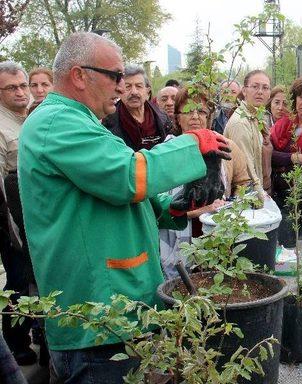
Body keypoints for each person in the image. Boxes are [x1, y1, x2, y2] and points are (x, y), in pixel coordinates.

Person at [18, 31, 230, 382]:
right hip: (99, 322)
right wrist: (195, 143)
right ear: (79, 76)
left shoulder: (81, 122)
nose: (121, 86)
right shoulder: (59, 124)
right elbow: (129, 176)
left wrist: (172, 208)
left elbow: (110, 192)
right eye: (115, 76)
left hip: (112, 309)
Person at [160, 87, 250, 279]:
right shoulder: (165, 153)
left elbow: (242, 181)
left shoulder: (224, 146)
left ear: (209, 116)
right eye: (188, 110)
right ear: (177, 117)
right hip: (182, 236)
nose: (195, 116)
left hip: (217, 234)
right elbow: (160, 207)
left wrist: (232, 205)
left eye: (201, 111)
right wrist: (201, 210)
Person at [0, 61, 36, 365]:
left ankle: (38, 329)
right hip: (12, 219)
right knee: (18, 282)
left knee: (36, 280)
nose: (21, 92)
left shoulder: (33, 120)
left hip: (37, 214)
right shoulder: (1, 127)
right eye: (12, 87)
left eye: (23, 85)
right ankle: (16, 342)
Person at [102, 65, 173, 150]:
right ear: (120, 91)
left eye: (139, 86)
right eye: (127, 86)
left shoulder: (163, 119)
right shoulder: (107, 123)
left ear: (148, 91)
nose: (134, 92)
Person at [224, 70, 272, 194]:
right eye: (255, 86)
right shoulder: (241, 122)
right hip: (245, 195)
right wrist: (260, 194)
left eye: (265, 88)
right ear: (244, 91)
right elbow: (246, 167)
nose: (260, 91)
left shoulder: (255, 117)